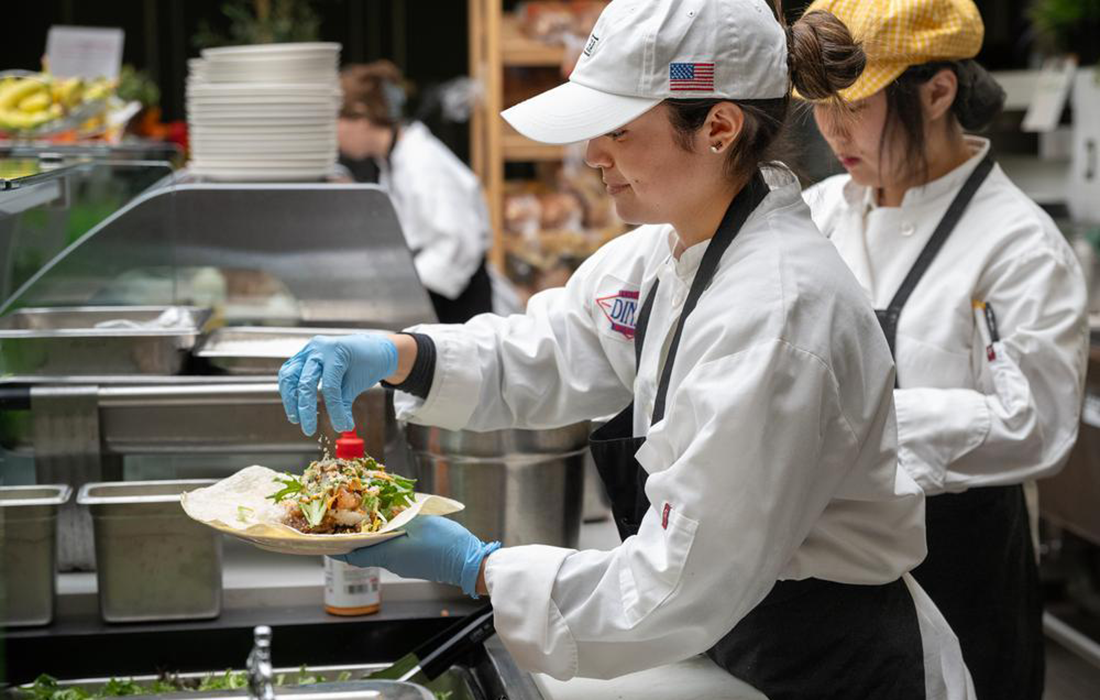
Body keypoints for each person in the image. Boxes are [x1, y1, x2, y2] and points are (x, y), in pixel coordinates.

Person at [281, 1, 975, 697]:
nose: (592, 156)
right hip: (733, 642)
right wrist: (399, 353)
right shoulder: (667, 250)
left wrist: (482, 567)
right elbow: (553, 347)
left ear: (719, 128)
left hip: (828, 664)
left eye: (616, 130)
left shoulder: (777, 312)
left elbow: (682, 579)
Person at [801, 1, 1089, 698]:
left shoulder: (1017, 247)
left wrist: (850, 427)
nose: (833, 129)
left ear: (937, 92)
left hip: (963, 573)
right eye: (818, 105)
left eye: (856, 105)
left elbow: (1035, 424)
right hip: (829, 578)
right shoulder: (820, 212)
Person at [337, 61, 494, 323]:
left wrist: (401, 290)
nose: (335, 136)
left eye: (336, 122)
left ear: (361, 117)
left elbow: (457, 243)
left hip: (455, 305)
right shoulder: (391, 161)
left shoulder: (421, 161)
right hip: (431, 292)